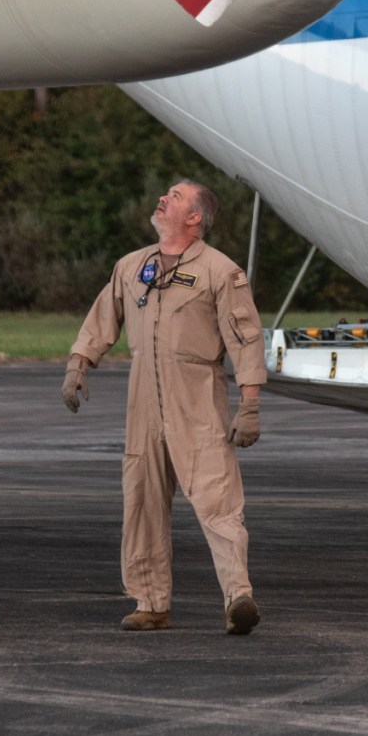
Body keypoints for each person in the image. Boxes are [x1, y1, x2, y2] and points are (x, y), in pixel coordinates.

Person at [62, 179, 267, 635]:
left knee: (217, 498)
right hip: (143, 401)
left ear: (194, 218)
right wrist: (79, 364)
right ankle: (151, 602)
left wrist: (248, 402)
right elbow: (103, 316)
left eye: (174, 196)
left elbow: (246, 338)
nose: (162, 198)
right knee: (142, 500)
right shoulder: (132, 266)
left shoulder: (221, 271)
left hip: (197, 396)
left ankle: (239, 598)